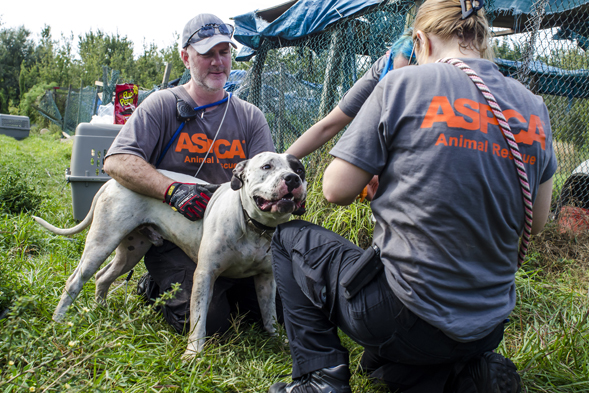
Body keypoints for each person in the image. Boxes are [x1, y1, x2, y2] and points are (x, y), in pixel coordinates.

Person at [268, 0, 556, 392]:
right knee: (386, 368)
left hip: (407, 314)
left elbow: (334, 189)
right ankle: (470, 374)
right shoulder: (533, 106)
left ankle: (320, 378)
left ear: (419, 40)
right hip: (487, 325)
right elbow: (536, 222)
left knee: (287, 239)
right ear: (481, 36)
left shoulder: (402, 84)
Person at [103, 13, 278, 336]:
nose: (218, 62)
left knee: (279, 309)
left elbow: (267, 183)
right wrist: (173, 191)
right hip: (175, 237)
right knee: (210, 323)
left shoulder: (250, 117)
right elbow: (116, 161)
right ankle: (155, 287)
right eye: (207, 54)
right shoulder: (162, 105)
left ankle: (222, 287)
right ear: (185, 57)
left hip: (237, 238)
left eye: (224, 52)